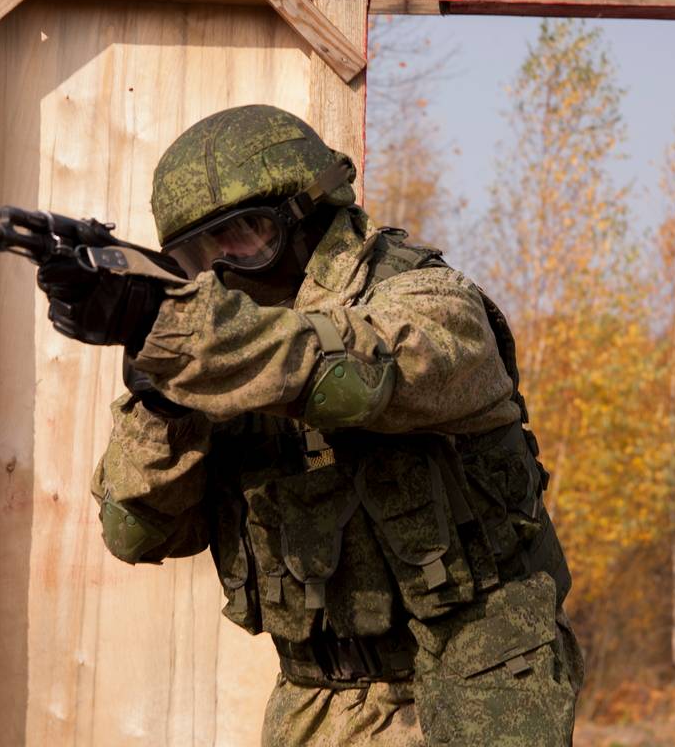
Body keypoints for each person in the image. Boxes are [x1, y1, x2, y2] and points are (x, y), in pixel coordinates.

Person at [35, 104, 583, 746]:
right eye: (197, 253)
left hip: (482, 675)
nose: (223, 266)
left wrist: (183, 335)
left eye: (245, 234)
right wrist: (161, 403)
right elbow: (136, 533)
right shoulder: (210, 355)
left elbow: (353, 375)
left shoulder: (429, 300)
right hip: (317, 700)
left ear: (308, 213)